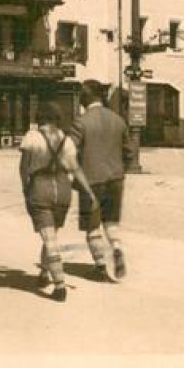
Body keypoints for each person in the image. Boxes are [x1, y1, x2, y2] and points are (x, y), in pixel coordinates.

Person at [19, 101, 98, 302]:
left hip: (41, 187)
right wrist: (89, 192)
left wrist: (26, 188)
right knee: (52, 235)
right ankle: (44, 273)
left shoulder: (32, 137)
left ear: (40, 117)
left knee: (49, 238)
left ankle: (60, 286)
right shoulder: (66, 139)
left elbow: (24, 168)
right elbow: (75, 168)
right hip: (63, 189)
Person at [71, 80, 133, 281]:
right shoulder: (118, 120)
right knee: (111, 221)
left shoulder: (81, 122)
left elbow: (69, 152)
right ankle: (116, 246)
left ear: (87, 97)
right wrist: (120, 169)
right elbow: (129, 152)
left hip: (90, 180)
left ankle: (99, 266)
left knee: (92, 226)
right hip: (115, 179)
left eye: (81, 95)